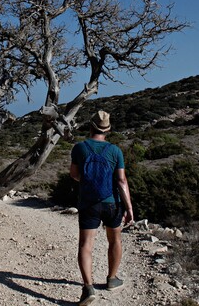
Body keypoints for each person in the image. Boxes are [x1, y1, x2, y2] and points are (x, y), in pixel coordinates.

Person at [69, 110, 134, 306]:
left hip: (89, 202)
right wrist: (129, 208)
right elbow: (121, 180)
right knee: (115, 240)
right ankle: (112, 279)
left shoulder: (79, 148)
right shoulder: (115, 151)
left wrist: (88, 182)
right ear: (108, 130)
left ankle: (88, 288)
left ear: (91, 127)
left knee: (85, 245)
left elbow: (74, 174)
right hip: (112, 202)